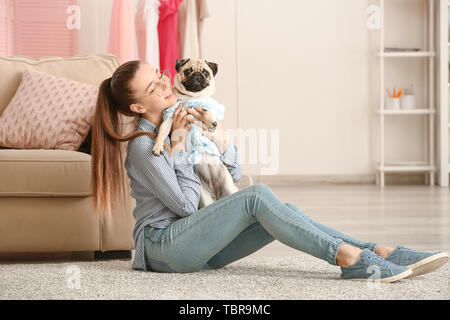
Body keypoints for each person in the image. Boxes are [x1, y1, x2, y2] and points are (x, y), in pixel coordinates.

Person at [90, 60, 448, 282]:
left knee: (285, 211)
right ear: (137, 106)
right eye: (154, 87)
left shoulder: (183, 116)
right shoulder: (143, 146)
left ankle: (377, 252)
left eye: (160, 75)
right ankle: (348, 257)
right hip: (163, 248)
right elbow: (185, 208)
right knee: (259, 197)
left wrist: (221, 139)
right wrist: (180, 146)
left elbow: (234, 173)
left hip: (198, 245)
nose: (167, 84)